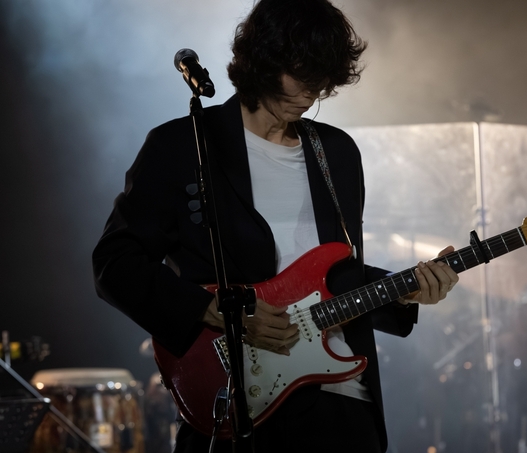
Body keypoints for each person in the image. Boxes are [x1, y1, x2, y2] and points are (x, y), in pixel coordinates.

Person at [92, 0, 459, 451]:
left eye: (322, 80)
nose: (312, 92)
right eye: (302, 74)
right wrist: (215, 311)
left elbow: (337, 278)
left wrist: (404, 291)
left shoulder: (337, 153)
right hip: (238, 398)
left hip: (342, 406)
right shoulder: (185, 145)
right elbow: (115, 264)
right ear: (262, 60)